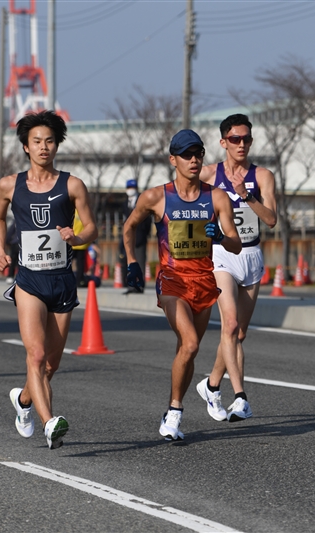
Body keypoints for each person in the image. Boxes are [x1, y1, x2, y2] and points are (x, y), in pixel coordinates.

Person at [123, 129, 241, 440]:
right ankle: (174, 413)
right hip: (172, 281)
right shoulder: (156, 196)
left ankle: (172, 409)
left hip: (204, 282)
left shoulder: (216, 197)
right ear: (172, 159)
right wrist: (131, 261)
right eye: (187, 154)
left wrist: (220, 237)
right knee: (190, 344)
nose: (193, 159)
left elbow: (237, 245)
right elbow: (128, 226)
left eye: (198, 153)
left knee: (186, 352)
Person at [0, 110, 98, 450]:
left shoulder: (72, 184)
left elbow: (92, 227)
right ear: (25, 146)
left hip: (62, 280)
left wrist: (76, 237)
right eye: (36, 141)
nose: (43, 147)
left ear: (57, 145)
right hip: (29, 280)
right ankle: (50, 422)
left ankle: (23, 401)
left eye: (49, 141)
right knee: (35, 356)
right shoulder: (10, 184)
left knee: (51, 363)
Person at [184, 115, 278, 423]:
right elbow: (188, 207)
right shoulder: (209, 175)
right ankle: (240, 397)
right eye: (235, 139)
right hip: (221, 255)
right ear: (223, 142)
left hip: (251, 255)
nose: (241, 144)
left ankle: (211, 384)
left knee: (240, 333)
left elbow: (271, 219)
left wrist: (247, 195)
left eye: (246, 139)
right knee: (230, 324)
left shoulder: (262, 176)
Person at [119, 178, 151, 293]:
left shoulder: (142, 201)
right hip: (128, 237)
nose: (130, 190)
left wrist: (144, 234)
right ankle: (131, 285)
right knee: (130, 261)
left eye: (132, 188)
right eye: (129, 188)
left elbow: (147, 221)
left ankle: (140, 285)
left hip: (140, 236)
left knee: (140, 261)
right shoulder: (125, 203)